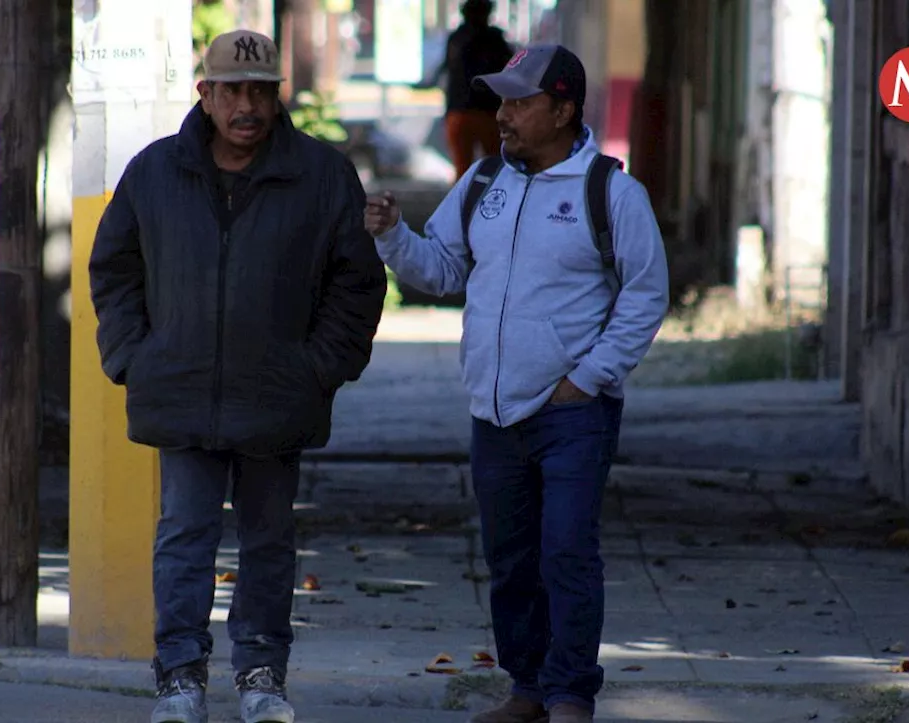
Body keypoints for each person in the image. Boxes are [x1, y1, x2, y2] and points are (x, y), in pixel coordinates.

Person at [88, 28, 387, 723]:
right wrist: (136, 357)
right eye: (233, 92)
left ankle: (260, 673)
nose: (247, 106)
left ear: (278, 97)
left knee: (268, 540)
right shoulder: (155, 171)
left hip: (277, 395)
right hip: (180, 388)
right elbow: (114, 270)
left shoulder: (322, 174)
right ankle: (180, 677)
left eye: (261, 91)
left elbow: (357, 282)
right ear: (206, 94)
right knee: (184, 536)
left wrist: (317, 369)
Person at [364, 44, 669, 723]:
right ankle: (527, 687)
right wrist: (391, 237)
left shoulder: (611, 192)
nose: (501, 114)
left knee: (565, 551)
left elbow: (646, 294)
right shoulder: (482, 183)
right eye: (500, 99)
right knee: (509, 561)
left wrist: (588, 378)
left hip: (573, 414)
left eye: (519, 102)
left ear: (563, 109)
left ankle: (569, 693)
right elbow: (441, 268)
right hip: (492, 413)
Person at [433, 0, 515, 181]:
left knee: (462, 171)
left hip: (459, 112)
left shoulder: (456, 38)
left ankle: (462, 206)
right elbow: (511, 71)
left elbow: (445, 69)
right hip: (489, 113)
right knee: (495, 170)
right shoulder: (496, 39)